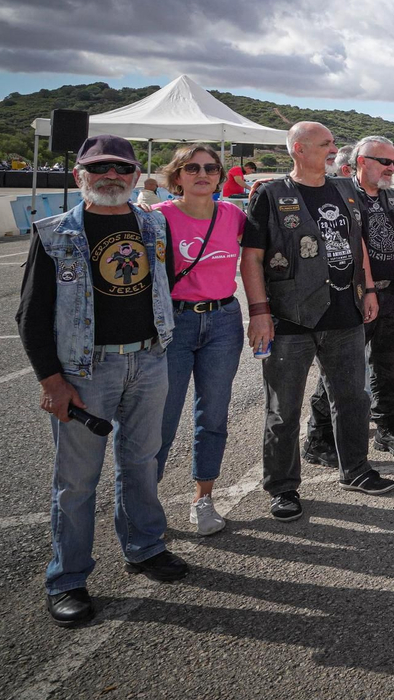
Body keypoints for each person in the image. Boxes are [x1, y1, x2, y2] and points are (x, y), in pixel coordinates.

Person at [18, 135, 187, 626]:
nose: (111, 176)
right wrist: (52, 382)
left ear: (136, 176)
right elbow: (31, 315)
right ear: (79, 176)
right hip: (84, 370)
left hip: (149, 361)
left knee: (141, 462)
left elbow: (165, 280)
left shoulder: (153, 223)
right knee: (76, 481)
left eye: (122, 168)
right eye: (99, 169)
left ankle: (144, 547)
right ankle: (67, 578)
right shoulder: (54, 234)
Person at [242, 122, 394, 524]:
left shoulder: (344, 188)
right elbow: (252, 257)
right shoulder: (271, 194)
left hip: (345, 314)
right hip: (291, 317)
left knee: (352, 399)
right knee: (283, 409)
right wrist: (259, 311)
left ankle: (356, 469)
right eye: (325, 143)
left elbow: (358, 240)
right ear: (298, 149)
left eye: (332, 142)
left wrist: (370, 290)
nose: (333, 148)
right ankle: (283, 486)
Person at [304, 137, 394, 462]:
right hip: (349, 297)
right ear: (361, 161)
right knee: (338, 369)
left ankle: (386, 428)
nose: (392, 167)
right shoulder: (338, 195)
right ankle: (320, 438)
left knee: (388, 364)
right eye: (385, 161)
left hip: (392, 294)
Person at [152, 144, 246, 535]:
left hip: (223, 321)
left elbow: (259, 261)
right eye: (192, 168)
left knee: (213, 415)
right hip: (174, 324)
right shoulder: (156, 218)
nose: (202, 173)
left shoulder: (234, 216)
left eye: (210, 168)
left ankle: (202, 498)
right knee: (160, 418)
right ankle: (144, 505)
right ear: (176, 177)